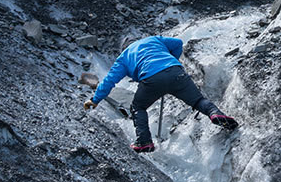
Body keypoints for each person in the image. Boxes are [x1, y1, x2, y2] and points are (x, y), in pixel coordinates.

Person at [84, 35, 237, 153]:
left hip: (152, 79)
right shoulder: (153, 40)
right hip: (176, 72)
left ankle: (144, 141)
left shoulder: (124, 57)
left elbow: (109, 81)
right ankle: (216, 114)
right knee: (198, 100)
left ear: (124, 47)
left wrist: (95, 100)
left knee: (138, 107)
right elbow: (177, 43)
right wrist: (171, 61)